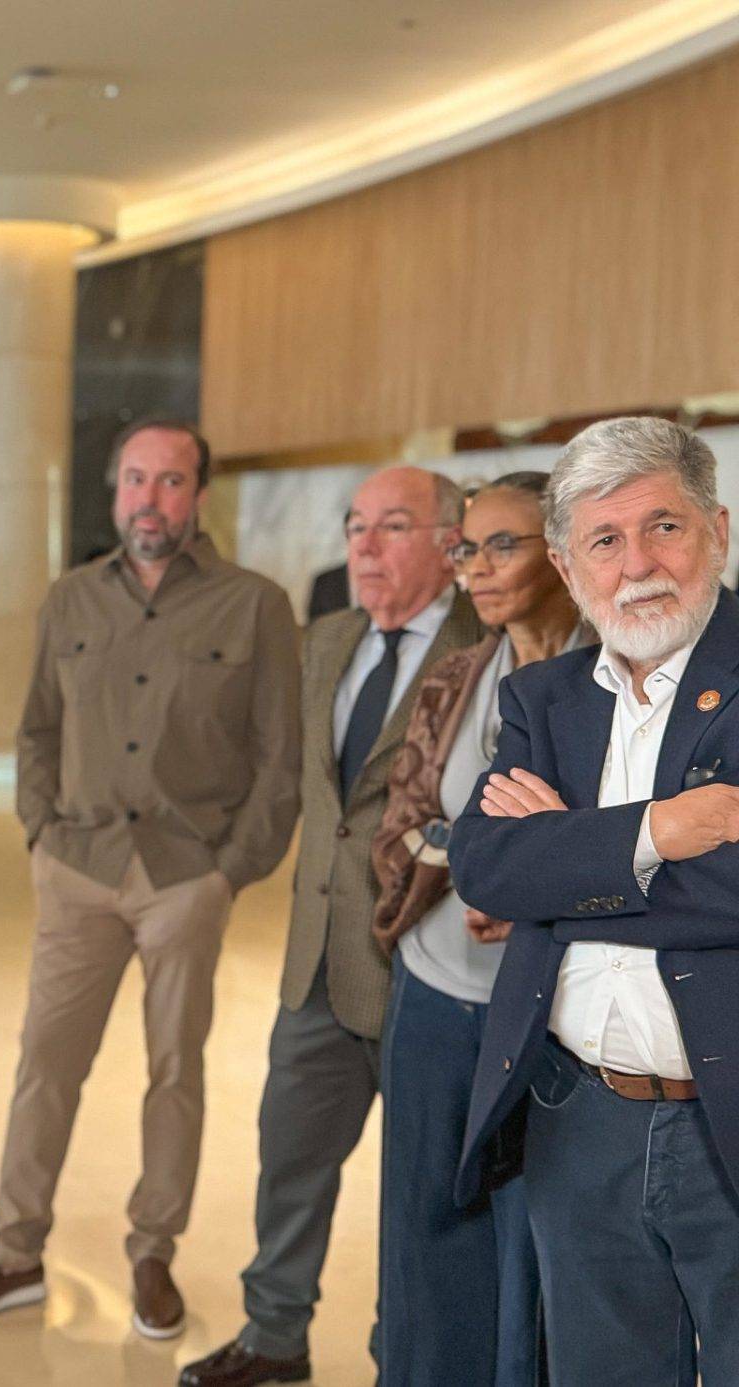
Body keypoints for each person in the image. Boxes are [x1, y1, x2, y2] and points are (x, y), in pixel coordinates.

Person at [0, 421, 302, 1338]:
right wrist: (40, 835)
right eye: (136, 479)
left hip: (186, 876)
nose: (150, 499)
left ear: (198, 495)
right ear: (115, 490)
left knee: (175, 1069)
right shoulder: (70, 599)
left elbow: (281, 761)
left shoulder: (253, 605)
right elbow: (35, 730)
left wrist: (228, 873)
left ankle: (153, 1250)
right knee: (44, 1062)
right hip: (79, 870)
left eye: (170, 481)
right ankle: (14, 1250)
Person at [451, 417, 739, 1384]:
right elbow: (486, 866)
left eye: (665, 527)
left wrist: (566, 858)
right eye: (605, 540)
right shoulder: (544, 698)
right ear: (569, 569)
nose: (638, 565)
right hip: (578, 1114)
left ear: (718, 532)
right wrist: (657, 832)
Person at [183, 466, 482, 1387]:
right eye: (356, 526)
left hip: (422, 967)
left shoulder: (487, 646)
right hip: (314, 963)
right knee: (289, 1162)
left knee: (421, 1189)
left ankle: (405, 1356)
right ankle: (274, 1336)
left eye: (392, 526)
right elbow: (300, 786)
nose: (364, 545)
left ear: (450, 543)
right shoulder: (328, 639)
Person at [370, 472, 584, 1385]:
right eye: (466, 548)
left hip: (545, 1017)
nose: (476, 568)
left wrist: (529, 887)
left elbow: (622, 847)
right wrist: (475, 860)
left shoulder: (615, 684)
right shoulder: (456, 677)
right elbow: (399, 824)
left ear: (562, 554)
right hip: (432, 993)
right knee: (423, 1234)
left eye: (503, 544)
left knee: (530, 1250)